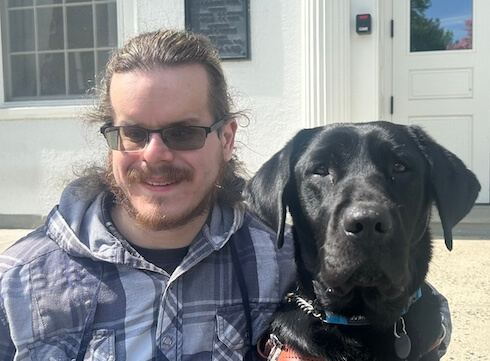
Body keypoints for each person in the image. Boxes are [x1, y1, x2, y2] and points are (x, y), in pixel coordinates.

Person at [0, 29, 450, 360]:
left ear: (228, 137)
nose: (154, 155)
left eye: (183, 132)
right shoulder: (17, 283)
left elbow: (401, 291)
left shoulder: (279, 258)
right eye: (133, 133)